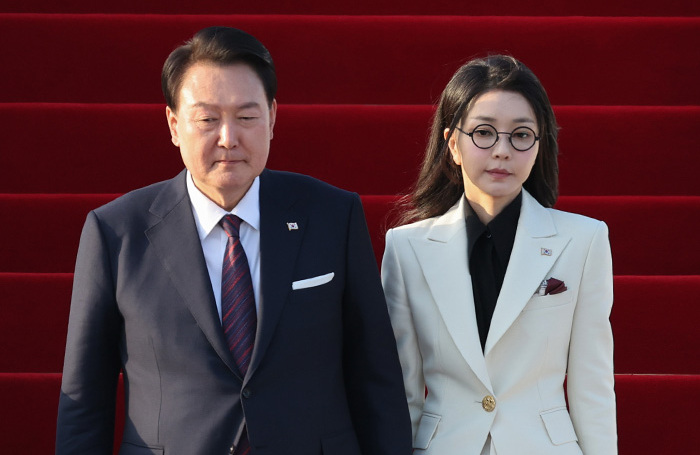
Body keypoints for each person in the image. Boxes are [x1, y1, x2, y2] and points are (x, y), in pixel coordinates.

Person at [56, 26, 412, 455]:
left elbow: (375, 374)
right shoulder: (116, 232)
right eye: (207, 119)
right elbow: (86, 400)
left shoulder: (332, 216)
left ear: (272, 118)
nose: (228, 138)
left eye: (246, 117)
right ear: (174, 124)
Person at [381, 55, 616, 454]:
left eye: (521, 135)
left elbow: (592, 385)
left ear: (538, 145)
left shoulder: (583, 240)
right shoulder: (407, 249)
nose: (502, 150)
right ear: (453, 144)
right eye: (484, 133)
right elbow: (403, 392)